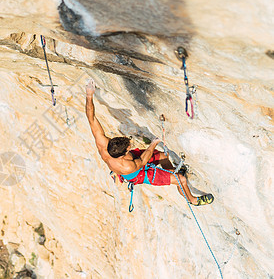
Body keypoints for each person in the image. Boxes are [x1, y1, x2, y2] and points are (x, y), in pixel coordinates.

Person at [85, 79, 213, 206]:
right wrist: (154, 143)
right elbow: (142, 161)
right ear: (124, 153)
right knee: (181, 180)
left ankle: (172, 171)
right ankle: (193, 200)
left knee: (164, 157)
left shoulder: (103, 145)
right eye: (128, 147)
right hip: (139, 173)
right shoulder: (127, 166)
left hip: (134, 161)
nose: (130, 144)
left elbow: (91, 118)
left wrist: (89, 95)